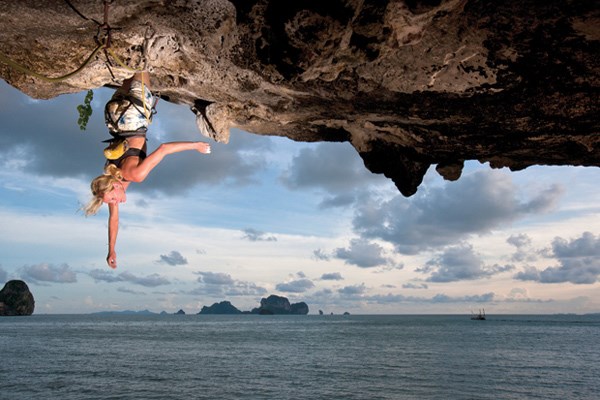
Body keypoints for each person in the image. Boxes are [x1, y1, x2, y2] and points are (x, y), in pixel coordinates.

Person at [83, 71, 211, 269]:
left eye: (113, 198)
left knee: (143, 65)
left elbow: (164, 149)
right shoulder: (112, 172)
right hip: (113, 118)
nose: (116, 202)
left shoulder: (135, 175)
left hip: (134, 116)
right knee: (128, 67)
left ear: (115, 186)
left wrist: (195, 146)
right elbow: (113, 219)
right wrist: (111, 249)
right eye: (112, 202)